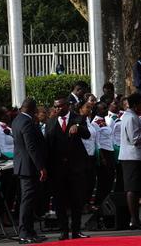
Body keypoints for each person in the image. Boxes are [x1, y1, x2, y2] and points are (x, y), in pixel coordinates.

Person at [44, 97, 90, 240]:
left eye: (60, 106)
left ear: (67, 106)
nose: (57, 109)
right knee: (59, 201)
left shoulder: (78, 118)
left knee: (77, 200)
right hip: (57, 169)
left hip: (75, 167)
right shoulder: (51, 122)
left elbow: (87, 135)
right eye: (55, 107)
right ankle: (63, 230)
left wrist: (79, 128)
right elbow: (47, 145)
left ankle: (76, 230)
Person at [10, 97, 47, 245]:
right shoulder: (26, 122)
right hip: (28, 167)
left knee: (28, 200)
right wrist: (41, 167)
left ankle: (30, 231)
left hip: (23, 166)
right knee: (27, 201)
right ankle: (24, 233)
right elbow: (31, 147)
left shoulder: (17, 120)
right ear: (32, 109)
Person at [117, 92, 141, 231]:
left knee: (135, 189)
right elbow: (134, 139)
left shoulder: (131, 116)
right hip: (132, 157)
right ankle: (134, 220)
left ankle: (135, 219)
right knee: (132, 189)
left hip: (136, 157)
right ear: (135, 105)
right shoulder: (131, 117)